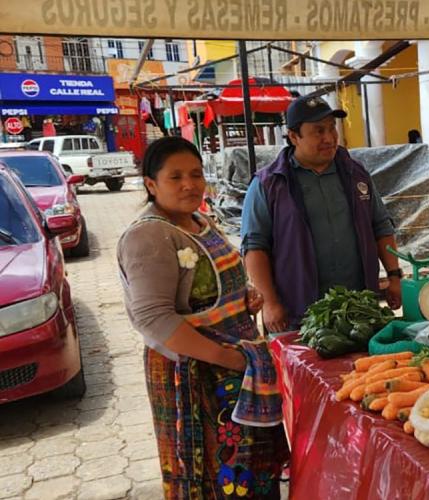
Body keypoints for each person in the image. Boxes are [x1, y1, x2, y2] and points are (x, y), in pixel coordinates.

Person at [118, 137, 288, 498]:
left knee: (250, 471)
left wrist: (244, 298)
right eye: (175, 177)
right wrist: (228, 359)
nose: (189, 184)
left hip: (235, 370)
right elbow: (153, 318)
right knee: (215, 476)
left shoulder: (199, 220)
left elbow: (211, 289)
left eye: (195, 174)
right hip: (194, 377)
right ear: (151, 184)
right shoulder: (150, 236)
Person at [240, 94, 402, 332]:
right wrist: (270, 303)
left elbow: (380, 226)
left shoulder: (355, 173)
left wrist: (394, 276)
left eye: (331, 128)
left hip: (359, 308)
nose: (329, 138)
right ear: (294, 136)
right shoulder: (269, 184)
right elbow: (254, 248)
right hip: (299, 313)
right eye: (318, 131)